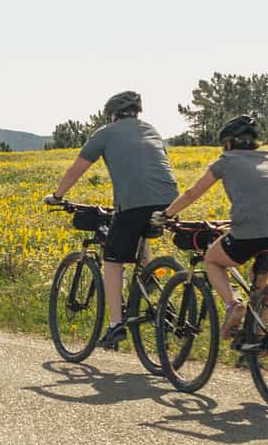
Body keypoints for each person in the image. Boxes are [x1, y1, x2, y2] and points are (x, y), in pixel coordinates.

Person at [45, 90, 181, 349]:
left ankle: (115, 324)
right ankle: (151, 281)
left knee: (113, 258)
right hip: (170, 202)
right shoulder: (151, 129)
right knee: (139, 233)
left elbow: (78, 168)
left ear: (113, 114)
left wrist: (57, 195)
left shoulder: (106, 133)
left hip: (134, 202)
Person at [160, 113, 268, 347]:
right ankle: (258, 339)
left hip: (250, 229)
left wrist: (166, 215)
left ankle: (233, 304)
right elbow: (267, 193)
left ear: (228, 143)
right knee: (260, 282)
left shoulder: (225, 161)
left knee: (212, 260)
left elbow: (192, 193)